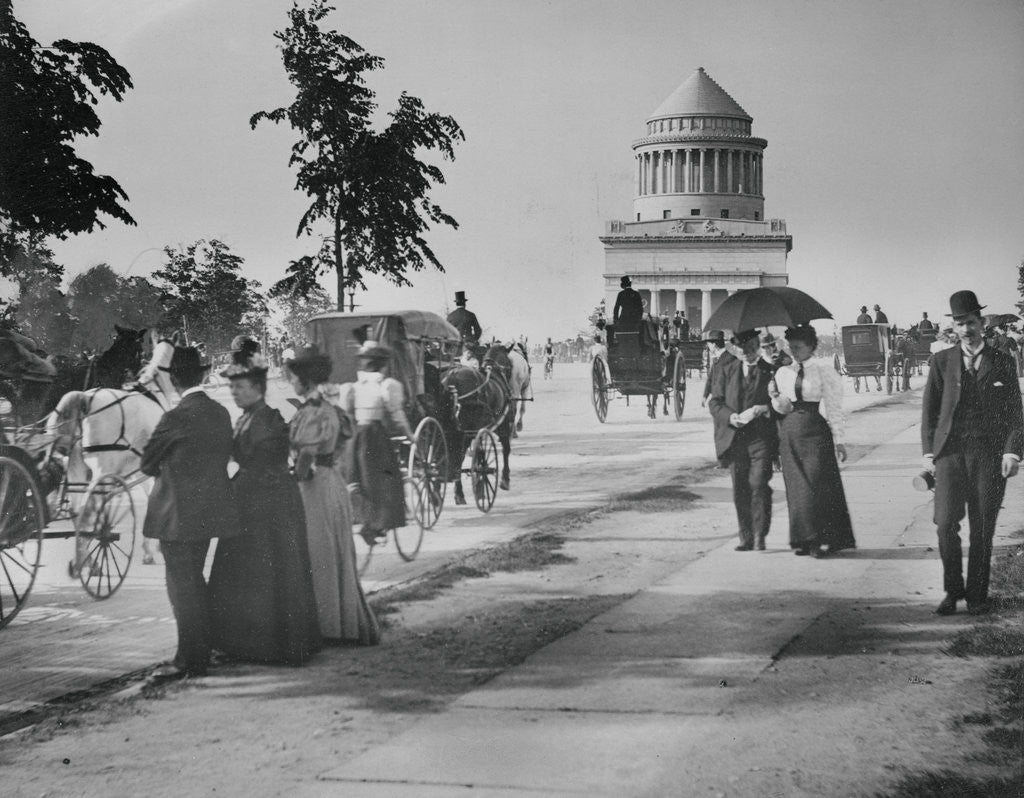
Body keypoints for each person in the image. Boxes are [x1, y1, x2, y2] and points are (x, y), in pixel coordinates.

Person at [208, 348, 322, 665]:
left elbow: (265, 462)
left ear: (258, 388)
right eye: (231, 387)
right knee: (247, 571)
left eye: (239, 387)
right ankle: (247, 644)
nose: (234, 392)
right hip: (253, 501)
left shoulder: (267, 419)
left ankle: (273, 645)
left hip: (270, 504)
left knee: (269, 570)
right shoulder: (247, 417)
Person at [140, 346, 241, 681]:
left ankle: (189, 660)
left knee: (182, 588)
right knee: (194, 581)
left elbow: (147, 463)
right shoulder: (220, 413)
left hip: (177, 517)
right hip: (211, 512)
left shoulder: (174, 417)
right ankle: (201, 651)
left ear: (174, 380)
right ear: (201, 375)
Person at [922, 290, 1023, 616]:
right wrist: (929, 455)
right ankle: (953, 591)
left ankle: (977, 596)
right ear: (954, 327)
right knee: (944, 524)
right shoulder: (941, 362)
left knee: (982, 528)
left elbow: (1015, 414)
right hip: (949, 455)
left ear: (981, 323)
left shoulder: (1002, 362)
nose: (966, 329)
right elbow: (929, 412)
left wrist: (1012, 453)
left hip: (988, 456)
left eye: (970, 322)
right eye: (960, 324)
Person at [285, 345, 380, 645]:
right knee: (333, 551)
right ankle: (340, 622)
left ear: (305, 379)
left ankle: (327, 625)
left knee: (319, 552)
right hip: (332, 483)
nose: (291, 382)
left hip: (315, 487)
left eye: (294, 377)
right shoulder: (330, 409)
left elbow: (306, 456)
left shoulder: (314, 412)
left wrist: (295, 477)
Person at [769, 325, 856, 557]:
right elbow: (780, 409)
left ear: (811, 347)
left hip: (815, 432)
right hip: (789, 433)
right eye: (791, 347)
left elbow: (834, 407)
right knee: (797, 488)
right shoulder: (782, 373)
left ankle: (821, 539)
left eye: (798, 347)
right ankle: (804, 540)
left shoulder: (823, 371)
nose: (794, 351)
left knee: (817, 485)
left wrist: (839, 439)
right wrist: (775, 398)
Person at [337, 341, 414, 547]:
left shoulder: (353, 387)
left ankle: (364, 519)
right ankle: (377, 524)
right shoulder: (386, 385)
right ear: (383, 364)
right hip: (376, 436)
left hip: (356, 438)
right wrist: (410, 436)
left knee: (360, 479)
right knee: (387, 479)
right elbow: (397, 416)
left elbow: (347, 414)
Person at [709, 329, 777, 551]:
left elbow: (782, 403)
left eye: (750, 349)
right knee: (740, 488)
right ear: (735, 350)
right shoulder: (726, 370)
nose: (746, 353)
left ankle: (759, 534)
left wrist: (765, 408)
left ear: (757, 347)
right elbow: (715, 403)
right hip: (735, 439)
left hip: (761, 438)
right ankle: (746, 537)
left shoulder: (771, 371)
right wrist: (730, 417)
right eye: (742, 349)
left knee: (758, 484)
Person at [701, 329, 729, 408]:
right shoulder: (718, 359)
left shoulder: (728, 360)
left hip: (725, 403)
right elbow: (710, 379)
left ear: (714, 344)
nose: (708, 346)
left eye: (709, 344)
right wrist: (705, 396)